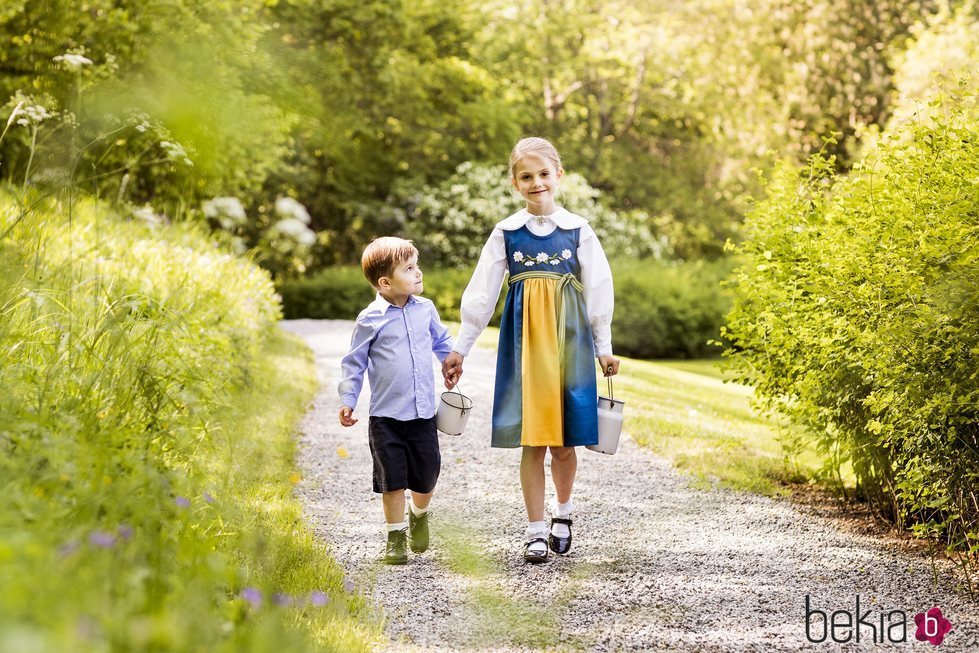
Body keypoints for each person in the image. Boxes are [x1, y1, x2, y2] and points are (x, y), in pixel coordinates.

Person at [442, 137, 620, 563]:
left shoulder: (578, 229)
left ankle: (564, 512)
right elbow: (481, 295)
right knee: (532, 440)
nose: (536, 182)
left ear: (558, 175)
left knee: (564, 441)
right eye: (527, 176)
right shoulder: (505, 232)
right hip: (524, 347)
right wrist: (461, 349)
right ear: (514, 182)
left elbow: (598, 290)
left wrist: (604, 347)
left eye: (543, 174)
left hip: (569, 342)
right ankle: (535, 529)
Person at [338, 237, 455, 565]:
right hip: (386, 417)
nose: (418, 273)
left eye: (417, 266)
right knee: (392, 480)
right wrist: (348, 398)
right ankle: (395, 538)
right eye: (409, 268)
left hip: (422, 414)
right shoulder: (370, 319)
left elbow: (441, 340)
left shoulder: (426, 310)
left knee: (428, 473)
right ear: (385, 282)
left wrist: (449, 363)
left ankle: (418, 513)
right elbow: (354, 363)